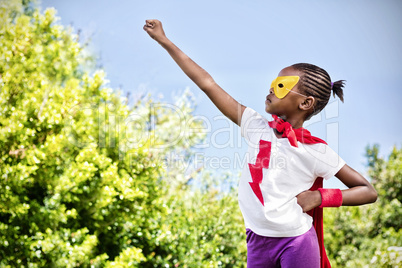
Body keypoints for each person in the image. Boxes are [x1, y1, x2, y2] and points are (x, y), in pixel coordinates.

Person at [143, 19, 378, 268]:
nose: (271, 89)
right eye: (272, 83)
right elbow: (207, 84)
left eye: (281, 86)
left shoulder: (316, 151)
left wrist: (319, 197)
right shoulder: (255, 127)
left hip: (296, 242)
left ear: (306, 103)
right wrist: (165, 41)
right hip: (257, 241)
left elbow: (368, 191)